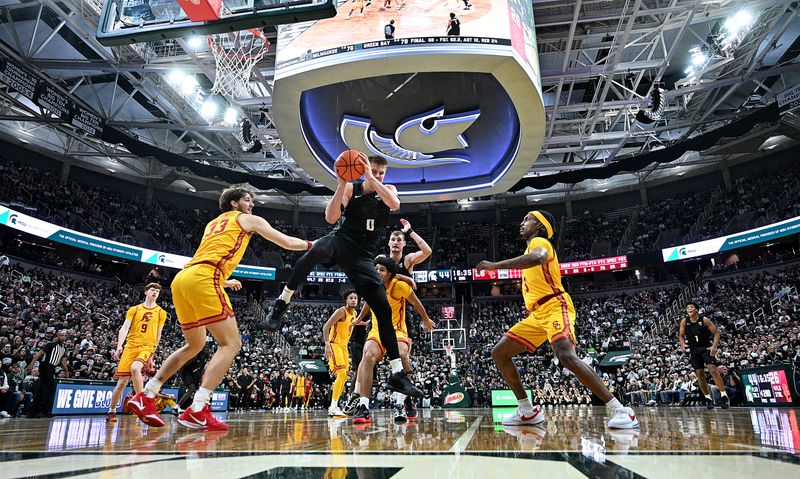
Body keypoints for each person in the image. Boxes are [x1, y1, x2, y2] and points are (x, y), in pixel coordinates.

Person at [128, 186, 314, 431]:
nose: (252, 205)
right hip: (205, 278)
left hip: (184, 279)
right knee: (231, 344)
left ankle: (147, 395)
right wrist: (315, 245)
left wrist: (224, 281)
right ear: (234, 204)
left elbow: (206, 257)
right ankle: (198, 408)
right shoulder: (246, 219)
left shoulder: (213, 224)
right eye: (248, 200)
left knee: (195, 345)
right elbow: (288, 243)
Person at [264, 154, 422, 398]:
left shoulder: (387, 189)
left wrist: (373, 179)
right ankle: (282, 303)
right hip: (341, 241)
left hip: (363, 256)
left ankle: (397, 374)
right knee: (313, 252)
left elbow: (394, 204)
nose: (378, 175)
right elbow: (330, 218)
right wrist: (340, 185)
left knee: (382, 308)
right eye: (374, 171)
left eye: (381, 172)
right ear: (362, 168)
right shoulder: (350, 187)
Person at [476, 211, 638, 429]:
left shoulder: (540, 242)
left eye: (527, 220)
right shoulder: (528, 248)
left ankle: (619, 409)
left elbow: (539, 257)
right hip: (538, 313)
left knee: (565, 355)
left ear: (540, 226)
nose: (522, 223)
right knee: (499, 352)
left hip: (555, 305)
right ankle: (527, 411)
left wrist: (496, 266)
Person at [350, 257, 435, 424]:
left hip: (397, 330)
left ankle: (402, 402)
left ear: (389, 274)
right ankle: (363, 407)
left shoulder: (398, 286)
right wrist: (360, 318)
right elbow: (368, 302)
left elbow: (416, 303)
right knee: (367, 356)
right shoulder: (371, 286)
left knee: (402, 356)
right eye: (376, 269)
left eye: (381, 270)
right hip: (377, 330)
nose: (377, 272)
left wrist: (425, 318)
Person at [106, 283, 168, 422]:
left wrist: (153, 352)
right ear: (146, 292)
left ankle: (143, 403)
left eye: (157, 291)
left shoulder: (161, 313)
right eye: (152, 290)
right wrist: (119, 346)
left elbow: (159, 334)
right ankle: (112, 411)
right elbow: (125, 327)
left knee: (135, 368)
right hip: (130, 347)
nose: (155, 292)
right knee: (121, 383)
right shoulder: (134, 309)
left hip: (147, 347)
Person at [678, 302, 730, 409]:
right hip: (694, 350)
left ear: (697, 310)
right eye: (687, 307)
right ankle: (708, 398)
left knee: (712, 369)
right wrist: (682, 343)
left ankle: (724, 395)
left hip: (706, 347)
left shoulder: (704, 320)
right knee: (699, 374)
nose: (689, 309)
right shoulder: (684, 321)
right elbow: (681, 335)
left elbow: (716, 333)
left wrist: (714, 346)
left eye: (691, 307)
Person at [322, 290, 359, 416]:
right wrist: (327, 344)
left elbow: (353, 323)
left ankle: (335, 405)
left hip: (344, 347)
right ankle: (333, 406)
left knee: (344, 377)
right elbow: (326, 327)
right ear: (346, 300)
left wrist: (366, 323)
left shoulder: (355, 313)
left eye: (355, 298)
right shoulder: (341, 311)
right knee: (341, 373)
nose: (353, 300)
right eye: (351, 298)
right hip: (334, 344)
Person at [26, 330, 69, 418]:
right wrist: (31, 365)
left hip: (52, 367)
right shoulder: (52, 344)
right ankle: (45, 411)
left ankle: (33, 412)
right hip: (45, 365)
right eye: (61, 335)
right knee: (49, 389)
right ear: (57, 336)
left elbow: (63, 361)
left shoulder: (63, 348)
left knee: (41, 389)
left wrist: (66, 371)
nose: (63, 337)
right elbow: (38, 354)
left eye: (64, 335)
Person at [175, 343, 211, 413]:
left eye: (208, 348)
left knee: (196, 390)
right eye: (205, 347)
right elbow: (183, 365)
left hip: (193, 372)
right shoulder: (195, 355)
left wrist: (200, 379)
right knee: (191, 388)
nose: (206, 349)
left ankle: (192, 409)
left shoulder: (206, 357)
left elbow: (201, 368)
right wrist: (177, 378)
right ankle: (176, 407)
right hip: (185, 371)